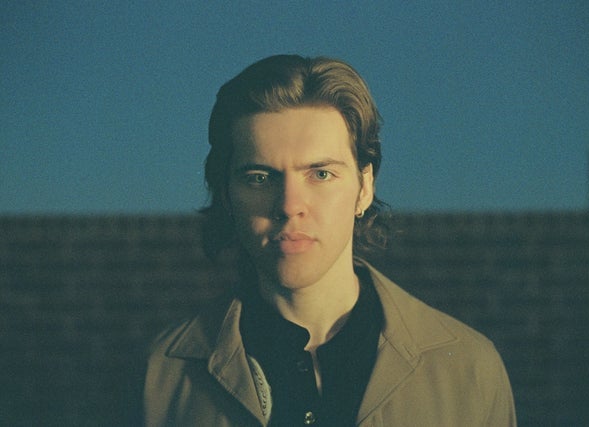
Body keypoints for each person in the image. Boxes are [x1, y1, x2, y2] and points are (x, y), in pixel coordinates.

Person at [144, 54, 516, 426]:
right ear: (226, 194)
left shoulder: (469, 369)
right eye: (259, 178)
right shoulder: (160, 377)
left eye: (320, 174)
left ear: (365, 188)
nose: (290, 205)